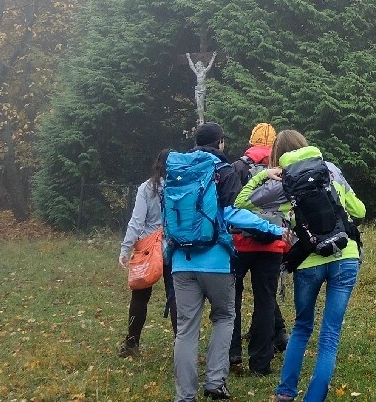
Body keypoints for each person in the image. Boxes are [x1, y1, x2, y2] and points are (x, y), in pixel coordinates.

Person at [237, 129, 365, 402]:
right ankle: (314, 399)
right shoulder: (329, 169)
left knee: (302, 327)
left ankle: (285, 393)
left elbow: (241, 201)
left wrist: (262, 175)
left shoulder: (283, 180)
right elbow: (360, 211)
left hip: (308, 260)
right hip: (345, 256)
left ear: (277, 154)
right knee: (329, 336)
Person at [169, 123, 282, 402]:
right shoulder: (223, 170)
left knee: (185, 328)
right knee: (224, 316)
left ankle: (184, 396)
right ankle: (215, 382)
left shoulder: (178, 171)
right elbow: (233, 213)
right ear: (220, 142)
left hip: (181, 261)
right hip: (217, 261)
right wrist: (275, 230)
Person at [227, 121, 289, 377]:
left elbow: (231, 203)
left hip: (240, 243)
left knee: (232, 301)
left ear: (251, 141)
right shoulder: (283, 168)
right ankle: (260, 363)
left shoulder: (238, 167)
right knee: (265, 301)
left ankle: (232, 354)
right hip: (272, 244)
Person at [118, 149, 175, 358]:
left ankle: (131, 344)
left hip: (150, 250)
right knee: (175, 296)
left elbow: (137, 222)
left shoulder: (147, 188)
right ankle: (182, 345)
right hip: (175, 247)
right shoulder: (180, 187)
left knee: (140, 296)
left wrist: (126, 248)